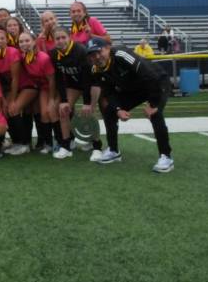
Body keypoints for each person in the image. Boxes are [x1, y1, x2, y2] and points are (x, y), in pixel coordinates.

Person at [86, 38, 174, 173]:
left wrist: (153, 103)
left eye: (99, 51)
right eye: (92, 54)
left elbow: (149, 75)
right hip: (135, 89)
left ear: (108, 48)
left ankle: (166, 157)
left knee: (155, 114)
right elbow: (108, 93)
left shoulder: (121, 55)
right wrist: (118, 109)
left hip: (157, 82)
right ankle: (113, 150)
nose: (97, 56)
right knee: (109, 110)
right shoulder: (95, 69)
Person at [50, 26, 103, 160]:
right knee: (63, 111)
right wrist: (63, 101)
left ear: (70, 37)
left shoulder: (80, 51)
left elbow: (87, 78)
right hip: (73, 84)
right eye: (57, 38)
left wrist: (86, 103)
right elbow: (59, 79)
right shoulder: (54, 54)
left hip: (92, 83)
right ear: (53, 40)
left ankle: (97, 146)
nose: (60, 41)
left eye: (63, 37)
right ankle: (66, 146)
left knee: (89, 112)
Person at [18, 32, 57, 154]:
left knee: (48, 111)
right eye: (21, 42)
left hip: (52, 87)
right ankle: (48, 143)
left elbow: (52, 80)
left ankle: (60, 141)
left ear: (34, 41)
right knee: (43, 113)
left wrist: (51, 99)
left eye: (27, 41)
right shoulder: (24, 57)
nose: (24, 44)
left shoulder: (43, 58)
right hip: (41, 88)